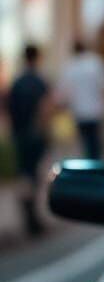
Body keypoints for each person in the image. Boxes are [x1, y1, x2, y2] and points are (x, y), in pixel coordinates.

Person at [5, 45, 52, 236]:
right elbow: (45, 108)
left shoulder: (17, 82)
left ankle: (29, 215)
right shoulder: (39, 81)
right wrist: (45, 131)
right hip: (35, 134)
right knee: (33, 175)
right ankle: (32, 217)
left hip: (20, 134)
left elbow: (8, 109)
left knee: (25, 173)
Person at [55, 39, 104, 159]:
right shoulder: (95, 63)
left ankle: (88, 165)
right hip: (96, 110)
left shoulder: (70, 66)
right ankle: (96, 165)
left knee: (85, 142)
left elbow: (63, 92)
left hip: (79, 112)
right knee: (96, 142)